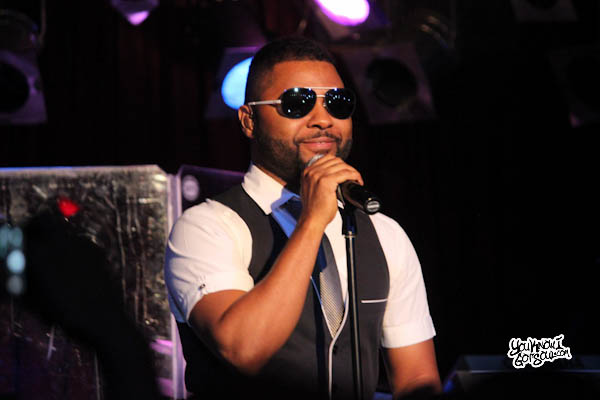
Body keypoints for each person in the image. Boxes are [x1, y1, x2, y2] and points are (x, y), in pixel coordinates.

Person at [164, 37, 441, 400]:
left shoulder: (384, 233)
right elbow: (243, 349)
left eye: (338, 103)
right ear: (249, 120)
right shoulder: (207, 227)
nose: (323, 120)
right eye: (297, 103)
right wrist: (312, 222)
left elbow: (417, 378)